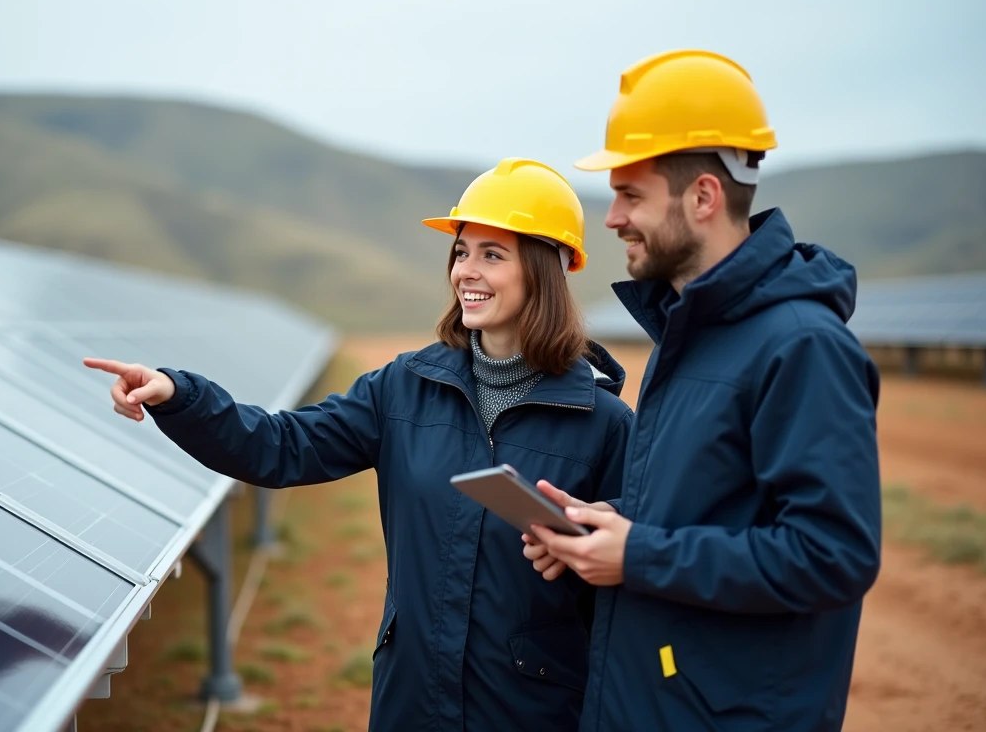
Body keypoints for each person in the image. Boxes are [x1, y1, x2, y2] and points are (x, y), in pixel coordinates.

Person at [83, 157, 635, 731]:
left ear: (545, 271)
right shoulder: (402, 388)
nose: (466, 271)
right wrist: (179, 395)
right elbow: (280, 446)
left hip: (533, 713)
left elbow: (635, 558)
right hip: (411, 702)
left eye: (492, 255)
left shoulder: (604, 422)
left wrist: (604, 527)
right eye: (462, 251)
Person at [522, 50, 882, 732]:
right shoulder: (687, 333)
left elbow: (833, 555)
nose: (611, 218)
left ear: (704, 197)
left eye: (630, 195)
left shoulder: (802, 345)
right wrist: (601, 528)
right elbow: (714, 506)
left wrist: (638, 553)